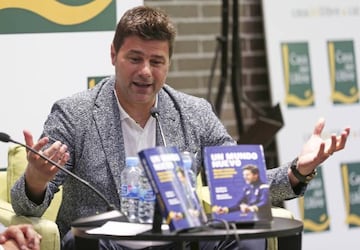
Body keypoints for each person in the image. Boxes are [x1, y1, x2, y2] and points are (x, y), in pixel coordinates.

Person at [10, 5, 350, 250]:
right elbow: (27, 207)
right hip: (105, 243)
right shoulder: (74, 114)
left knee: (249, 240)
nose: (146, 71)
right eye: (135, 58)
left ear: (168, 64)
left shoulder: (194, 113)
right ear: (113, 54)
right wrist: (37, 180)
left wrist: (297, 171)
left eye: (156, 61)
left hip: (179, 242)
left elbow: (241, 186)